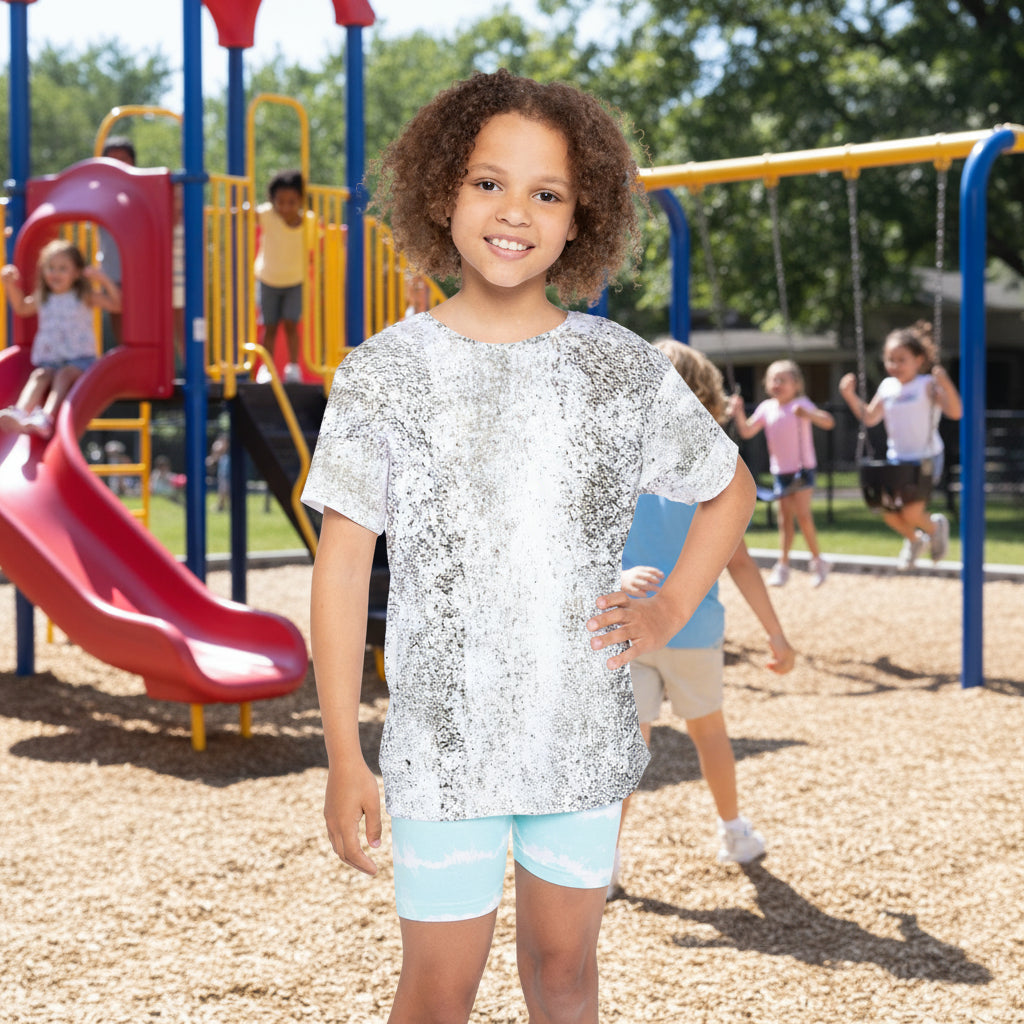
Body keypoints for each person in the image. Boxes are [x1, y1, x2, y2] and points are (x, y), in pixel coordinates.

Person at [302, 69, 756, 1024]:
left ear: (581, 217)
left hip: (578, 734)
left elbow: (729, 488)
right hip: (443, 748)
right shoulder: (384, 374)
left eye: (548, 193)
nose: (516, 212)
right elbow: (341, 569)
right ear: (442, 195)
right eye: (488, 182)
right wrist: (345, 752)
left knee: (565, 975)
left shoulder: (617, 368)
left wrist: (671, 607)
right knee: (438, 992)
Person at [610, 341, 795, 897]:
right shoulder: (713, 467)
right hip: (692, 628)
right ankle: (734, 832)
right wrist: (775, 633)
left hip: (630, 627)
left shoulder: (619, 458)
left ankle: (605, 861)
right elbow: (739, 562)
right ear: (707, 397)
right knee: (710, 734)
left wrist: (617, 577)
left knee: (627, 749)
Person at [839, 320, 962, 568]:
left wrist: (945, 383)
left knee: (911, 512)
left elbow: (955, 412)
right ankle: (916, 540)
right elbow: (870, 417)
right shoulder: (887, 387)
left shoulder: (926, 384)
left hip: (926, 458)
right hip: (897, 459)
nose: (894, 365)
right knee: (888, 512)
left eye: (901, 359)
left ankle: (935, 527)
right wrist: (849, 395)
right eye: (890, 359)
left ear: (918, 360)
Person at [0, 239, 121, 440]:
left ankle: (45, 418)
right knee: (40, 374)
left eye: (63, 268)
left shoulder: (83, 296)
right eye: (51, 268)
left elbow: (117, 305)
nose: (55, 273)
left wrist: (103, 279)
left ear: (76, 273)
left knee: (63, 375)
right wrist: (9, 285)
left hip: (81, 360)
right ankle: (20, 413)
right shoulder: (44, 297)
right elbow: (21, 307)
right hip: (51, 360)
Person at [729, 359, 835, 587]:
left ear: (796, 384)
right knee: (784, 519)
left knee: (803, 516)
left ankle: (818, 561)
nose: (776, 384)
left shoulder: (801, 404)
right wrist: (738, 411)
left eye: (782, 380)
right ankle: (783, 565)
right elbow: (747, 431)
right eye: (773, 379)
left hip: (802, 470)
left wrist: (808, 415)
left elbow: (828, 422)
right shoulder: (767, 408)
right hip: (780, 472)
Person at [254, 169, 310, 383]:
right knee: (269, 326)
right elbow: (248, 213)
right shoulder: (268, 215)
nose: (285, 207)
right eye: (280, 202)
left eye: (291, 202)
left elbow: (321, 237)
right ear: (272, 200)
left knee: (291, 324)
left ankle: (293, 368)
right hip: (268, 279)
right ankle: (266, 369)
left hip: (295, 281)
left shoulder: (308, 221)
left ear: (301, 200)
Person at [96, 135, 136, 346]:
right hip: (112, 272)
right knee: (118, 322)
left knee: (140, 320)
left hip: (137, 271)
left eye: (123, 159)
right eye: (112, 160)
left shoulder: (139, 190)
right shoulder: (100, 192)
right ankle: (123, 354)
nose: (118, 165)